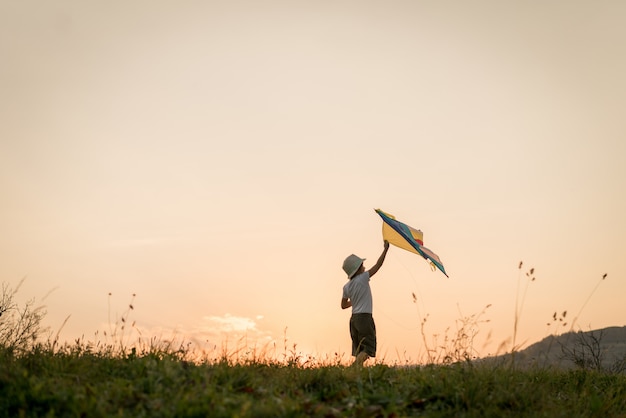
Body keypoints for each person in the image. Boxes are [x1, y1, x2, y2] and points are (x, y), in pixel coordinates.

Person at [341, 240, 390, 366]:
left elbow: (343, 305)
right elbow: (378, 266)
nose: (364, 267)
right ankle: (353, 368)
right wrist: (385, 250)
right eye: (362, 265)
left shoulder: (346, 287)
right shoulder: (363, 278)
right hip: (364, 318)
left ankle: (357, 374)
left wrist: (354, 301)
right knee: (367, 349)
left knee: (359, 351)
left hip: (354, 320)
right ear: (357, 270)